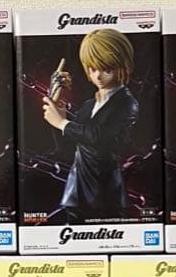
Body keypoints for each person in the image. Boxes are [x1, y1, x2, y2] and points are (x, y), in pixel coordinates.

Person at [42, 29, 138, 221]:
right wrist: (57, 111)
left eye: (106, 69)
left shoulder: (127, 103)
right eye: (93, 69)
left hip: (104, 192)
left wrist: (62, 122)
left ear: (123, 66)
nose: (98, 76)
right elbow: (69, 145)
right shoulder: (88, 106)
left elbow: (98, 137)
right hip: (76, 190)